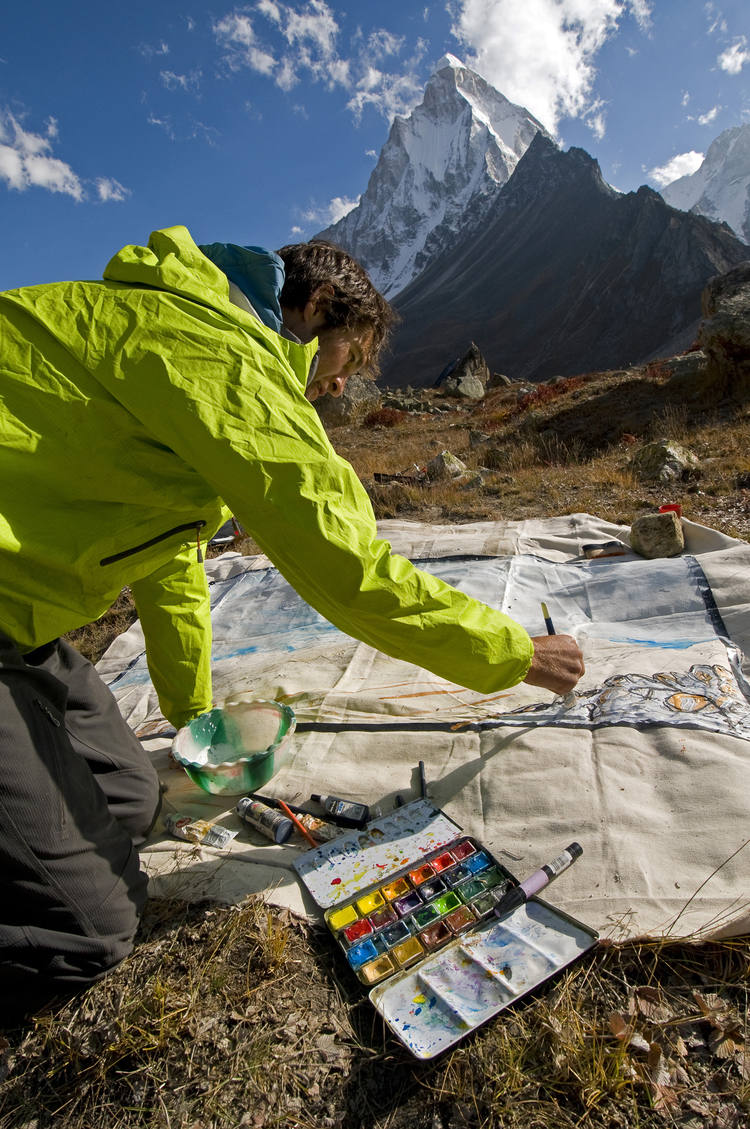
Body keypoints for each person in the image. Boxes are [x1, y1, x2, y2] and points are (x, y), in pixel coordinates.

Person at [0, 225, 584, 1021]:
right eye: (345, 355)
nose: (340, 384)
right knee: (92, 929)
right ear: (311, 311)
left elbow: (162, 551)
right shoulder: (225, 361)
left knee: (135, 799)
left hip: (21, 617)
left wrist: (191, 713)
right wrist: (514, 652)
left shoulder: (184, 332)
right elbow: (348, 569)